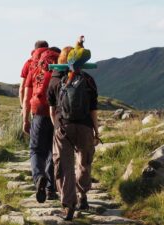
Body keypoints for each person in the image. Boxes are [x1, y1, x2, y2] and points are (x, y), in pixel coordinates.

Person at [47, 46, 100, 220]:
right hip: (85, 127)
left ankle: (68, 206)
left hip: (64, 127)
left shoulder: (56, 81)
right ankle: (83, 196)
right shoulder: (89, 80)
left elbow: (52, 110)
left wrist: (57, 127)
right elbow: (93, 110)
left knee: (64, 166)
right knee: (84, 162)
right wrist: (96, 131)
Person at [22, 43, 61, 203]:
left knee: (36, 150)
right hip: (56, 113)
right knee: (53, 151)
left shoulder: (34, 68)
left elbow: (26, 98)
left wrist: (25, 119)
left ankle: (39, 178)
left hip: (38, 112)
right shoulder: (60, 69)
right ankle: (51, 189)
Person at [19, 41, 49, 106]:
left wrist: (22, 106)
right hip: (49, 102)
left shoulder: (29, 63)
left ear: (35, 50)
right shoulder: (52, 61)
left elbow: (22, 88)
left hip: (34, 103)